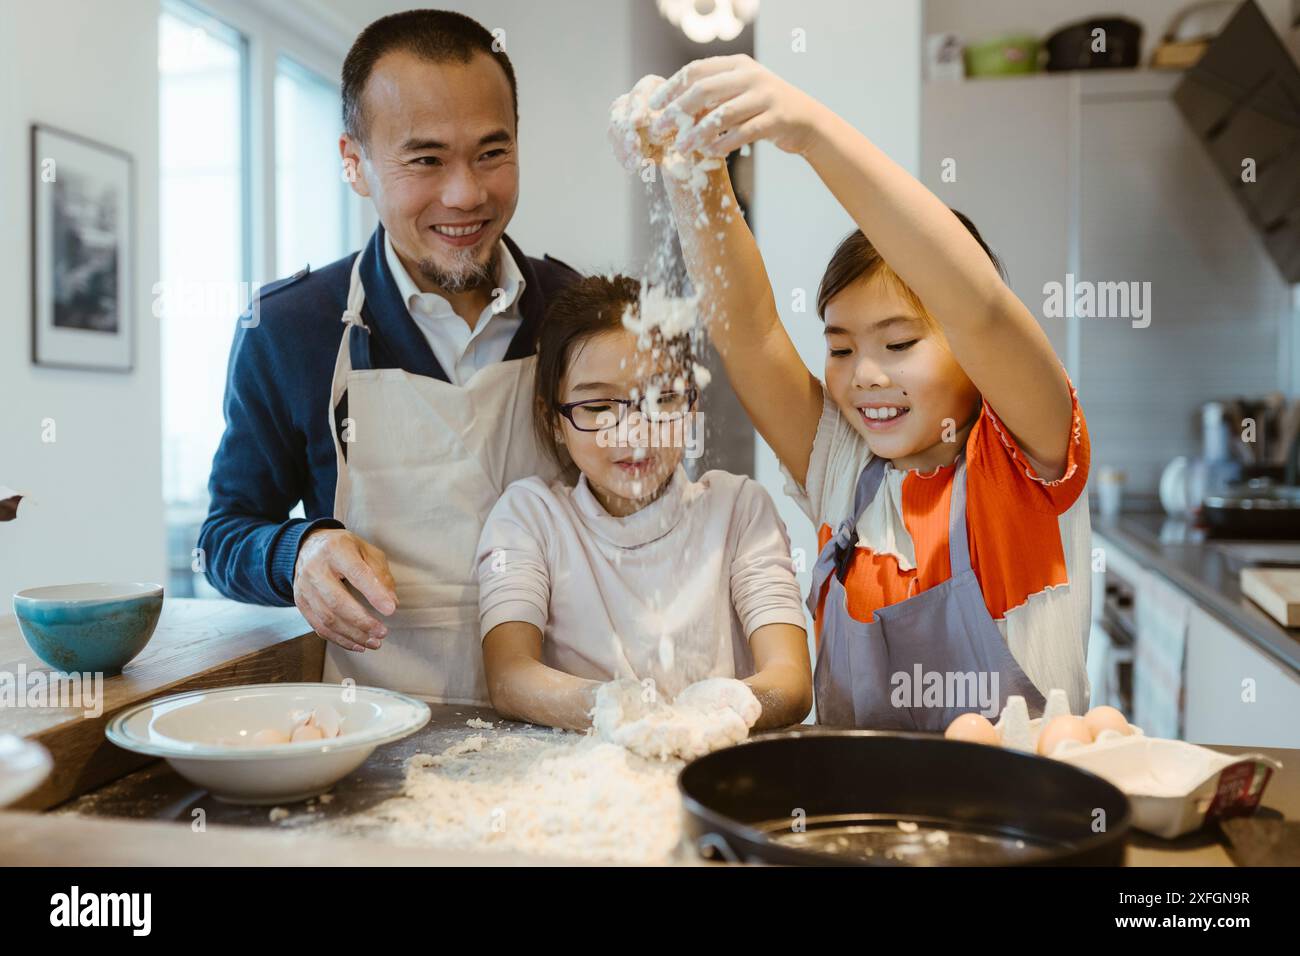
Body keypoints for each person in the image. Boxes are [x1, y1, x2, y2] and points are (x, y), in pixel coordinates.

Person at [622, 56, 1092, 729]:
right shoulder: (842, 468)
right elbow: (750, 333)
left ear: (973, 355)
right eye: (841, 348)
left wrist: (809, 130)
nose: (865, 374)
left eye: (900, 344)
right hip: (850, 819)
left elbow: (982, 311)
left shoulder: (1025, 463)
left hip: (1014, 821)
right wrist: (690, 166)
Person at [199, 10, 578, 703]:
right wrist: (298, 552)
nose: (466, 194)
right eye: (426, 159)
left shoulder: (579, 315)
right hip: (374, 736)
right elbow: (222, 539)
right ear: (354, 161)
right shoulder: (290, 329)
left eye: (492, 153)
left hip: (575, 726)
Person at [474, 275, 813, 730]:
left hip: (714, 776)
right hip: (583, 787)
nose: (634, 432)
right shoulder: (531, 518)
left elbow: (791, 683)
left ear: (691, 404)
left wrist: (709, 718)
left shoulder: (739, 510)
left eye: (662, 399)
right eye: (597, 407)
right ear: (552, 420)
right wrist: (615, 709)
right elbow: (510, 677)